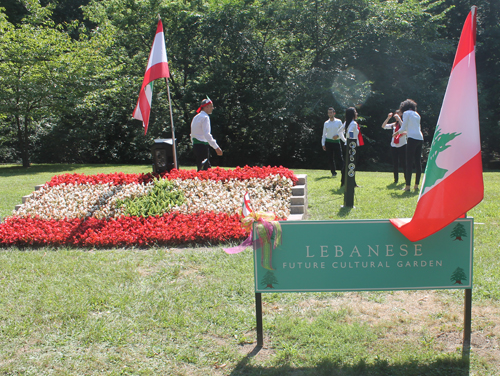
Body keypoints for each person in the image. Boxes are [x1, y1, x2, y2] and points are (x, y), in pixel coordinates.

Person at [394, 99, 423, 192]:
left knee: (409, 162)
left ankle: (407, 186)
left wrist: (397, 133)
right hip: (420, 138)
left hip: (412, 139)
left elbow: (403, 127)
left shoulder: (406, 113)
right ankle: (416, 185)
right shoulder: (417, 114)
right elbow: (412, 128)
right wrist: (403, 132)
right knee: (418, 162)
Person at [190, 98, 223, 171]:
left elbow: (192, 133)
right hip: (202, 145)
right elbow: (207, 134)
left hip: (196, 145)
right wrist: (216, 147)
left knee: (203, 167)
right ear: (206, 107)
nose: (212, 108)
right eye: (211, 106)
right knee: (204, 169)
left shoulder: (196, 117)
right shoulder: (205, 118)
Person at [381, 110, 407, 184]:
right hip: (393, 145)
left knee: (403, 163)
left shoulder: (404, 123)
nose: (396, 115)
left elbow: (404, 128)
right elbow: (383, 126)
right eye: (396, 114)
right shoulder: (394, 124)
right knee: (395, 163)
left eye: (398, 114)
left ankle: (406, 179)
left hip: (402, 145)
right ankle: (396, 180)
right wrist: (388, 118)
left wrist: (399, 119)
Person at [321, 107, 346, 182]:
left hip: (336, 142)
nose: (330, 114)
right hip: (328, 142)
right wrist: (323, 144)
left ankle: (343, 172)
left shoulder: (338, 122)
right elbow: (324, 134)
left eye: (331, 112)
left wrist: (338, 136)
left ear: (334, 113)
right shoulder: (326, 123)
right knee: (330, 158)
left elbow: (343, 131)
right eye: (329, 113)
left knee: (339, 157)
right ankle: (333, 172)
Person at [340, 107, 363, 188]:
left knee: (347, 164)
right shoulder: (353, 123)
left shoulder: (347, 122)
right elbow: (350, 133)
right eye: (355, 112)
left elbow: (339, 132)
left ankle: (345, 182)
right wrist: (350, 141)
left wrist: (345, 140)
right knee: (351, 165)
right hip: (351, 146)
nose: (356, 114)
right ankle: (349, 183)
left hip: (347, 145)